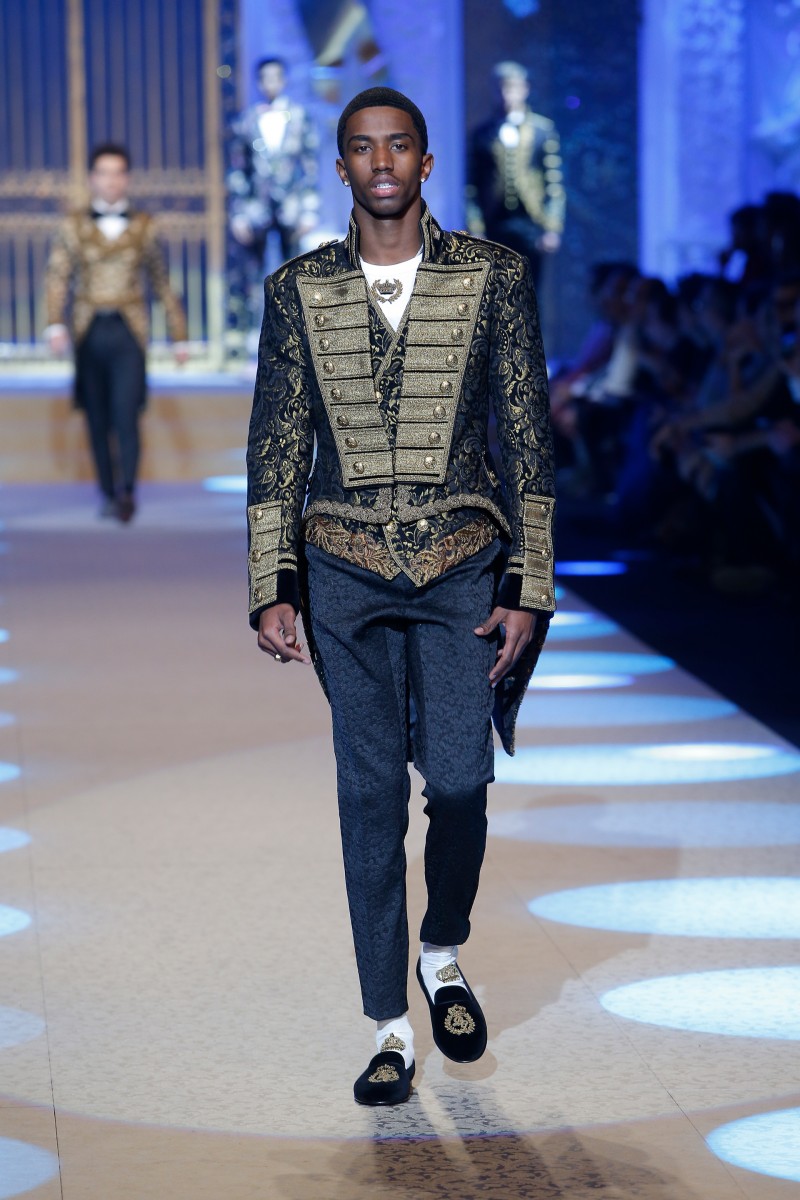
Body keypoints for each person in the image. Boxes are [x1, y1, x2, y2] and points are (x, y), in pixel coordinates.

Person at [246, 87, 556, 1106]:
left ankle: (441, 948)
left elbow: (527, 434)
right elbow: (276, 442)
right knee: (369, 794)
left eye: (398, 145)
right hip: (340, 567)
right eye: (361, 148)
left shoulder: (493, 277)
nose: (380, 162)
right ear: (340, 165)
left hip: (462, 559)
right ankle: (388, 1025)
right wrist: (271, 583)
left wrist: (529, 583)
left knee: (461, 779)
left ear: (425, 161)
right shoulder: (298, 289)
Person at [45, 144, 188, 522]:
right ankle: (108, 491)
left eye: (118, 172)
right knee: (96, 416)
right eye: (103, 173)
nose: (111, 180)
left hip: (129, 330)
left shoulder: (144, 225)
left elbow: (162, 281)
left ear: (127, 178)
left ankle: (127, 491)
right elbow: (57, 276)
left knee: (127, 412)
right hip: (88, 328)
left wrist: (179, 334)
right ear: (93, 178)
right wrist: (54, 323)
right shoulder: (72, 225)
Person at [227, 57, 320, 337]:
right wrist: (238, 213)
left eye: (275, 77)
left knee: (293, 272)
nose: (270, 83)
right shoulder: (247, 120)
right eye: (265, 78)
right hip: (256, 208)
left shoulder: (300, 117)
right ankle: (254, 337)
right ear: (258, 82)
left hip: (291, 207)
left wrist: (310, 209)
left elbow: (310, 165)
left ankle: (294, 336)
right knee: (253, 276)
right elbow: (238, 168)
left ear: (284, 80)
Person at [467, 61, 565, 288]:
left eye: (511, 87)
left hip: (531, 222)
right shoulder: (482, 134)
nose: (506, 94)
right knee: (497, 291)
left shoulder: (542, 131)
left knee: (530, 289)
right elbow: (472, 187)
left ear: (524, 89)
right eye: (501, 88)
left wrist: (552, 227)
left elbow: (554, 183)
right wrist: (476, 228)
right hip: (495, 224)